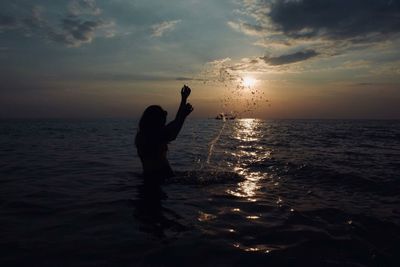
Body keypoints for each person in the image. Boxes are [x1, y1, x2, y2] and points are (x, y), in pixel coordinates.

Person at [135, 85, 193, 183]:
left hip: (152, 179)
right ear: (155, 120)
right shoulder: (152, 137)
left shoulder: (144, 135)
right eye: (162, 119)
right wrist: (183, 113)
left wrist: (183, 100)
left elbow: (175, 123)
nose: (164, 122)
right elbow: (174, 131)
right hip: (159, 179)